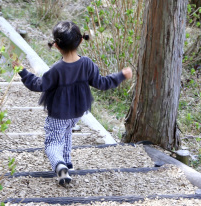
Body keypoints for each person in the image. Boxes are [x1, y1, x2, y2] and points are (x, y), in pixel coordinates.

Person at [13, 21, 132, 186]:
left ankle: (59, 165)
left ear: (56, 45)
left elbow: (38, 85)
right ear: (81, 41)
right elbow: (102, 83)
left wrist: (21, 70)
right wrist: (121, 75)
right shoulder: (87, 64)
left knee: (53, 142)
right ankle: (67, 164)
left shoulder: (57, 69)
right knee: (67, 133)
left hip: (58, 113)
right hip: (77, 112)